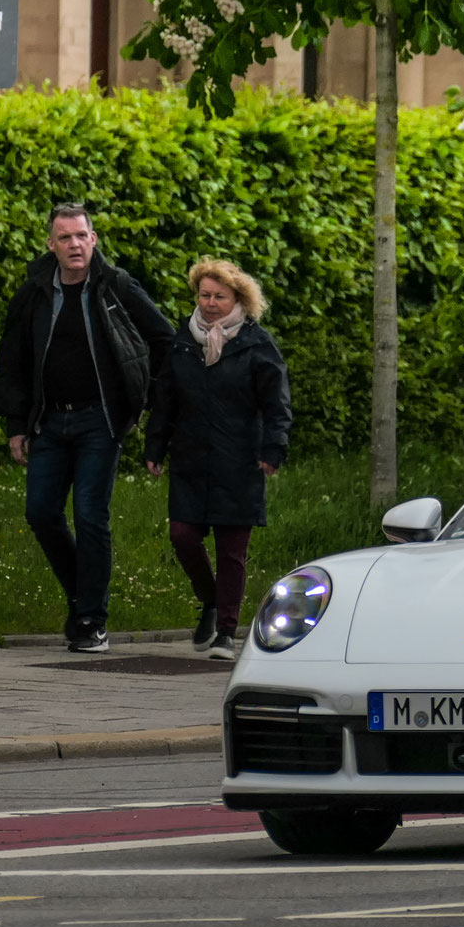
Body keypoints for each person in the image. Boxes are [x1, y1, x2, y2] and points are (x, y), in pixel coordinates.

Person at [0, 204, 175, 653]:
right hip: (49, 421)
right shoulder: (35, 292)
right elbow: (13, 359)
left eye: (81, 236)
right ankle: (81, 596)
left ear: (94, 240)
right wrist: (17, 425)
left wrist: (142, 399)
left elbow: (164, 339)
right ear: (51, 245)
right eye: (65, 237)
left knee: (91, 515)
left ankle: (92, 618)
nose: (75, 244)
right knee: (40, 513)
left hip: (101, 421)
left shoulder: (116, 287)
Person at [144, 258, 292, 660]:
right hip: (190, 458)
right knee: (182, 536)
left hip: (239, 460)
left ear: (238, 299)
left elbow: (276, 402)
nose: (210, 303)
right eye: (204, 295)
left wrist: (273, 448)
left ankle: (226, 632)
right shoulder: (182, 342)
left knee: (231, 551)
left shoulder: (256, 344)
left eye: (219, 297)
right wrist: (154, 446)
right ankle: (209, 600)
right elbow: (165, 400)